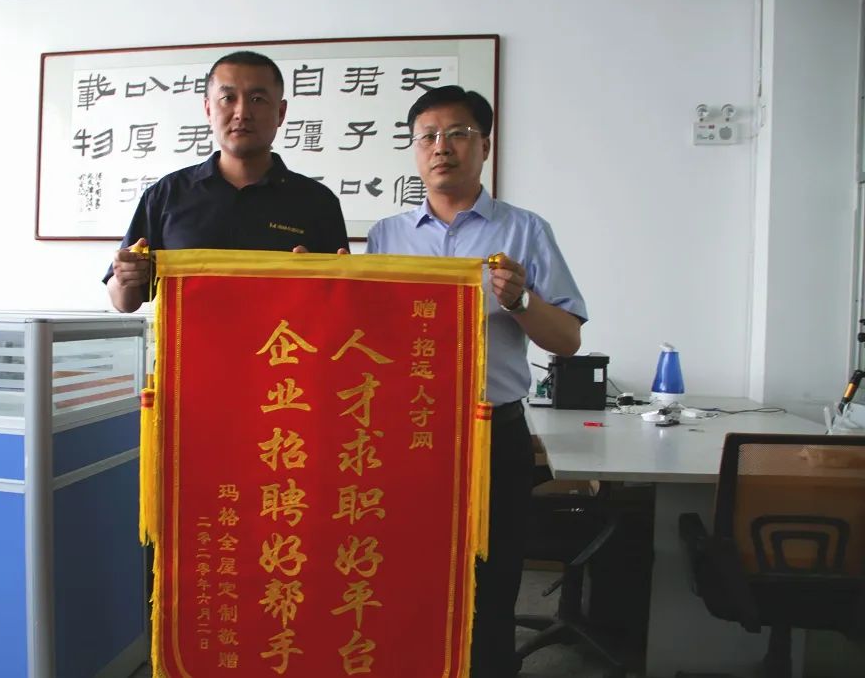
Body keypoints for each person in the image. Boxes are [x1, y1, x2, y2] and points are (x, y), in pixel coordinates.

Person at [366, 86, 587, 678]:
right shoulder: (386, 237)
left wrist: (520, 300)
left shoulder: (525, 231)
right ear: (415, 150)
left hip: (491, 434)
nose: (442, 147)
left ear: (484, 146)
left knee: (492, 583)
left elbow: (567, 340)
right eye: (428, 136)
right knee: (403, 576)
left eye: (458, 134)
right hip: (405, 436)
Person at [104, 50, 349, 312]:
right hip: (187, 340)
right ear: (208, 109)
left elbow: (341, 307)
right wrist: (125, 276)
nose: (242, 112)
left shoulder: (318, 202)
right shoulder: (167, 194)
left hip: (284, 339)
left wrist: (327, 284)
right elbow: (125, 303)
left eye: (257, 99)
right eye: (228, 98)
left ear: (280, 112)